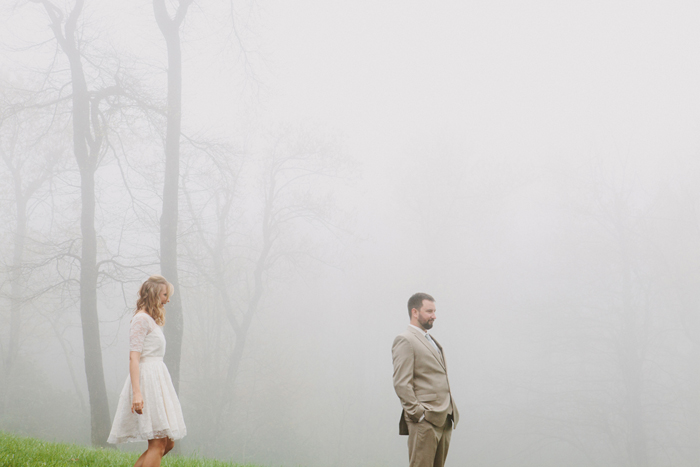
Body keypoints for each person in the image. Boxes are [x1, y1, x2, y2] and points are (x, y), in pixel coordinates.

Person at [107, 275, 186, 466]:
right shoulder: (141, 319)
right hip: (147, 380)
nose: (168, 299)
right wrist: (137, 393)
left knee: (167, 443)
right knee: (159, 444)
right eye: (165, 294)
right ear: (154, 295)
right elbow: (134, 357)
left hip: (158, 378)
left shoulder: (150, 320)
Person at [392, 293, 459, 467]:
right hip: (425, 420)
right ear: (415, 312)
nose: (434, 316)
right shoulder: (405, 340)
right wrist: (419, 414)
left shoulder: (430, 340)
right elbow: (401, 383)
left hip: (444, 418)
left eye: (434, 311)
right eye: (429, 311)